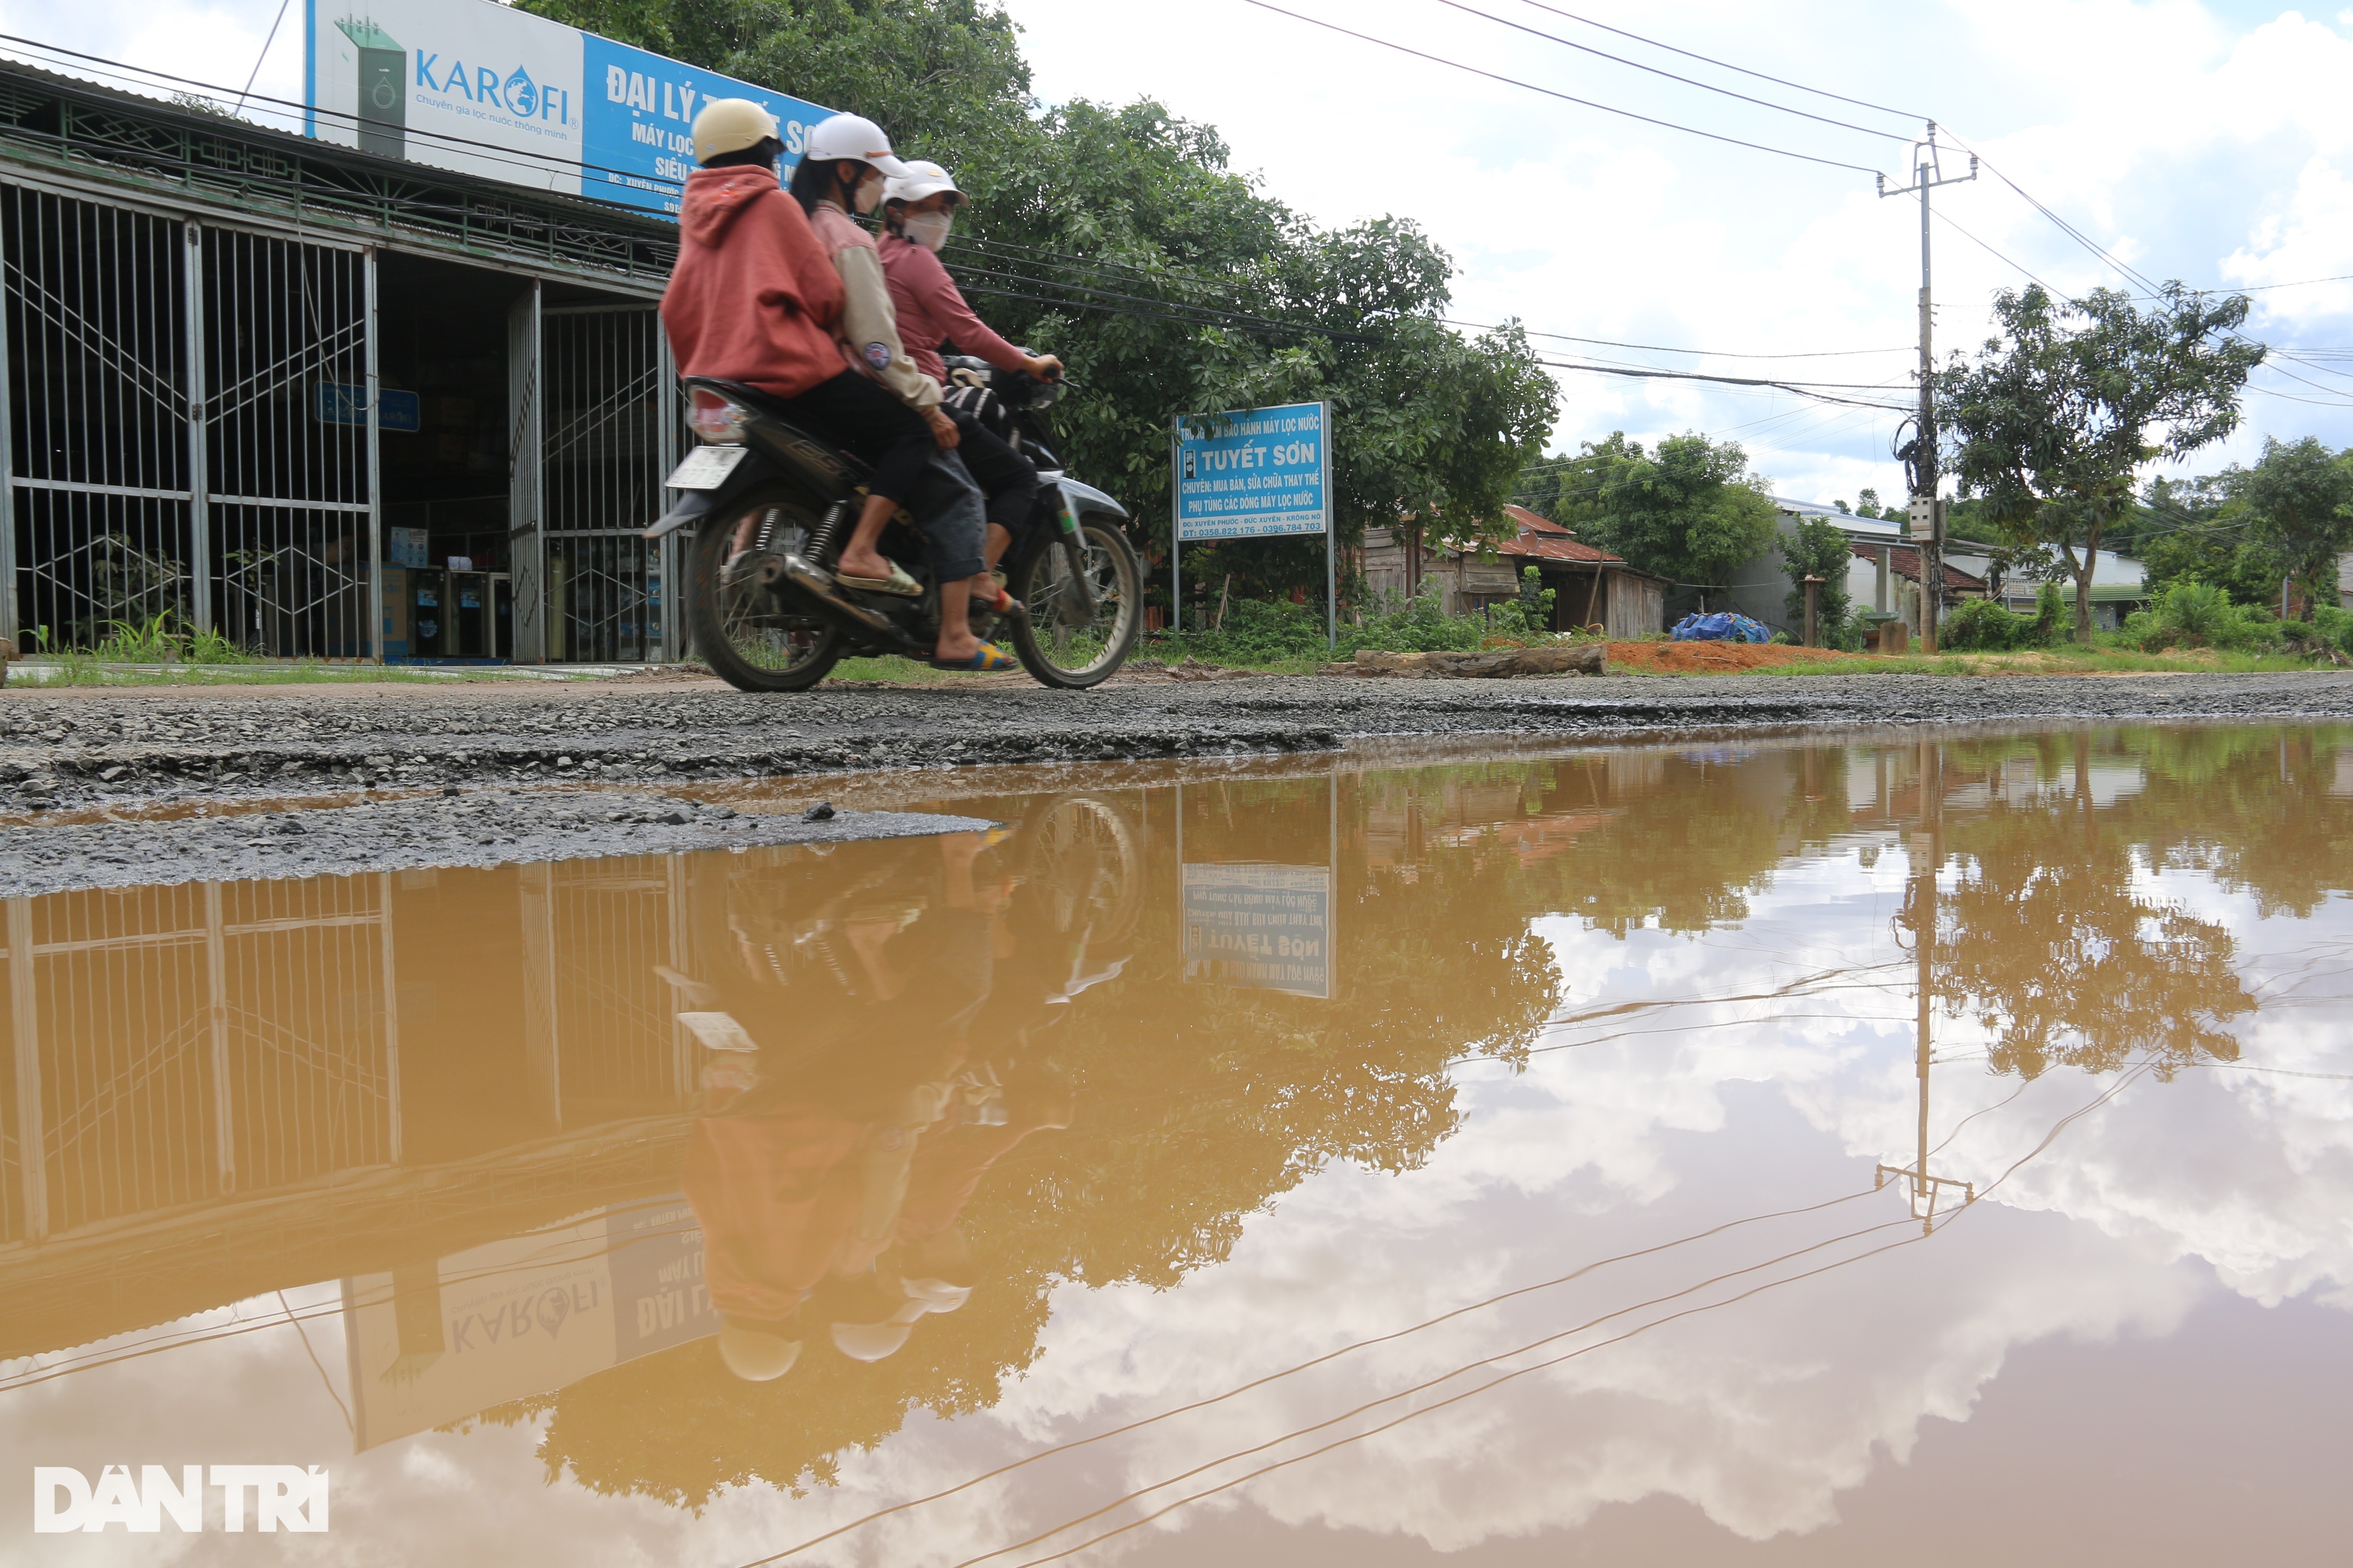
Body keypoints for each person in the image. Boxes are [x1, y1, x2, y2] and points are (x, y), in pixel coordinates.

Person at [660, 100, 1008, 671]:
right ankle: (865, 551)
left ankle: (752, 552)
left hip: (714, 375)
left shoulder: (694, 211)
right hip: (789, 367)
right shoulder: (777, 207)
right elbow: (825, 293)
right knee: (911, 433)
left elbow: (674, 303)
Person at [790, 114, 1013, 670]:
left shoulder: (797, 229)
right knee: (952, 477)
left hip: (796, 382)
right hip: (856, 380)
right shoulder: (851, 240)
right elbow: (877, 344)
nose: (874, 184)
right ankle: (954, 631)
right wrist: (923, 400)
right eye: (871, 174)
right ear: (845, 172)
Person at [876, 160, 1064, 600]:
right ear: (898, 209)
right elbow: (967, 331)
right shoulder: (917, 260)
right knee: (1019, 477)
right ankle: (980, 573)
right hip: (918, 392)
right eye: (930, 206)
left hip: (878, 390)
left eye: (947, 208)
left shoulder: (874, 254)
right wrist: (1028, 364)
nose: (941, 217)